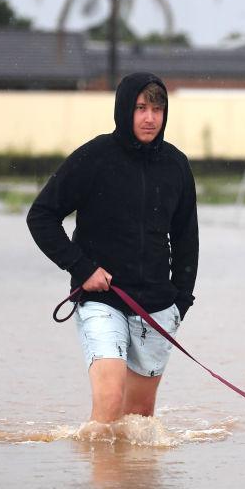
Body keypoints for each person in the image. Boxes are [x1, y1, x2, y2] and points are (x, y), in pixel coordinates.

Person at [27, 72, 198, 424]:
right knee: (109, 399)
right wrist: (82, 268)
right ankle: (101, 478)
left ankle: (131, 481)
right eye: (140, 108)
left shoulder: (177, 165)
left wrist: (181, 302)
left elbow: (186, 240)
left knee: (139, 418)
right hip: (102, 299)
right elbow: (41, 216)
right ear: (124, 110)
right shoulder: (94, 157)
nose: (150, 118)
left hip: (159, 307)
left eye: (157, 109)